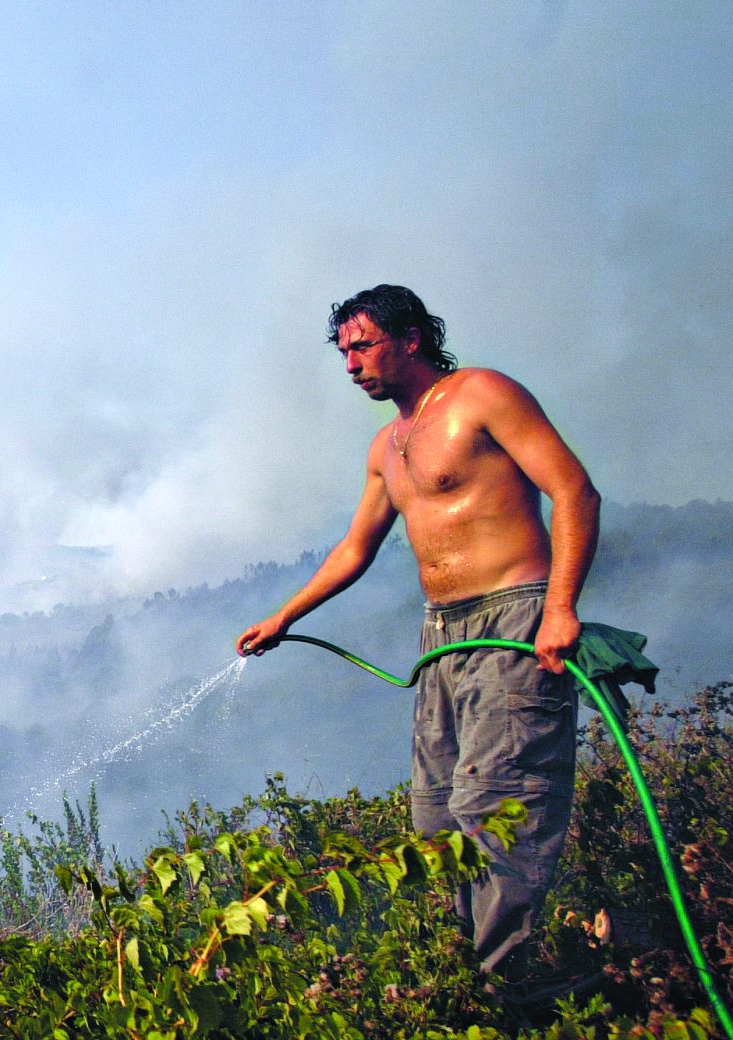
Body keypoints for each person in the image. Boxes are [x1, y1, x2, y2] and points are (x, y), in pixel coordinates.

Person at [236, 284, 601, 981]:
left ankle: (506, 987)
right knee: (436, 820)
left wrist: (560, 608)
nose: (351, 365)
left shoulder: (483, 395)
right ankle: (464, 972)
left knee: (496, 808)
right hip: (443, 636)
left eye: (363, 346)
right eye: (343, 351)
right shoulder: (387, 444)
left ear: (410, 339)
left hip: (516, 618)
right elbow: (356, 547)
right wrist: (283, 616)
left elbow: (575, 491)